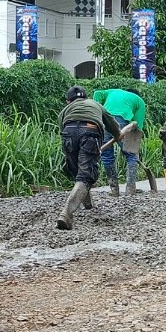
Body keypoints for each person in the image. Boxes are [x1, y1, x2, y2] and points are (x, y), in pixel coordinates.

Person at [56, 85, 122, 230]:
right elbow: (111, 123)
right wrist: (118, 135)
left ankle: (87, 204)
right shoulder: (95, 104)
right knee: (85, 176)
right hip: (90, 131)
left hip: (69, 132)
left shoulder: (65, 110)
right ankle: (66, 214)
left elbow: (62, 128)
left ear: (68, 100)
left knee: (77, 171)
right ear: (86, 97)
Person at [92, 88, 146, 196]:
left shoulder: (113, 91)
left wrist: (97, 111)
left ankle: (114, 190)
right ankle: (130, 189)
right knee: (131, 155)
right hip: (122, 121)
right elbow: (138, 125)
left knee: (107, 156)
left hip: (105, 120)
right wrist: (134, 144)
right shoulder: (139, 101)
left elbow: (97, 93)